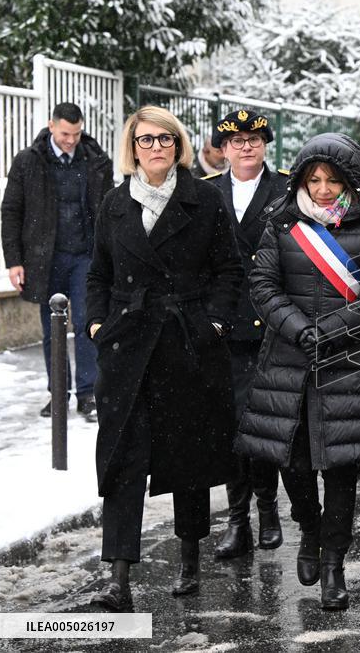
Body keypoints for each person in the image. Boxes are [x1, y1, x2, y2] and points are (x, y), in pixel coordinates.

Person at [86, 106, 243, 611]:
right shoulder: (114, 204)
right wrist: (95, 324)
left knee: (187, 459)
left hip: (186, 342)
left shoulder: (205, 200)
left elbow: (229, 270)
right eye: (146, 140)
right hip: (128, 346)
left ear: (179, 146)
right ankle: (119, 578)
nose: (156, 148)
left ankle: (189, 559)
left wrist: (212, 322)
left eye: (166, 140)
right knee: (122, 458)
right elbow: (98, 274)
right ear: (132, 147)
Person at [236, 133, 360, 611]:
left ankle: (333, 566)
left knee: (343, 469)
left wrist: (329, 329)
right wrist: (299, 327)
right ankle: (309, 527)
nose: (323, 189)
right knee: (294, 463)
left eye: (333, 180)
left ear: (349, 182)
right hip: (289, 357)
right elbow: (262, 283)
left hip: (348, 358)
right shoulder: (282, 221)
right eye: (314, 180)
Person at [204, 110, 289, 559]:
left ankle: (269, 509)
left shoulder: (285, 188)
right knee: (232, 427)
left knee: (266, 424)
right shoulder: (206, 191)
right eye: (235, 141)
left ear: (265, 145)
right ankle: (238, 521)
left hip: (272, 322)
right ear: (223, 148)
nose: (245, 147)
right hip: (225, 324)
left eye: (254, 139)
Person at [0, 102, 114, 421]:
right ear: (51, 126)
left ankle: (88, 394)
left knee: (87, 323)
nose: (71, 140)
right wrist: (14, 261)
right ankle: (58, 395)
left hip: (86, 257)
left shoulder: (96, 160)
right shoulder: (27, 161)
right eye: (65, 133)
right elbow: (11, 211)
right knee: (54, 325)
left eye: (76, 134)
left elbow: (109, 211)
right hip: (44, 259)